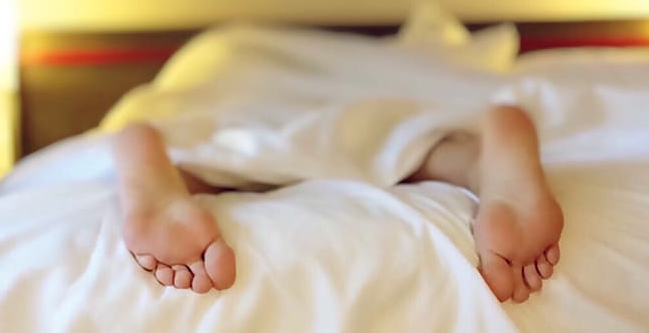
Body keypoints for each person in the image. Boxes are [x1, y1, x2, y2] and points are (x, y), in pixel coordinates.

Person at [114, 104, 563, 304]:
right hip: (388, 116)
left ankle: (155, 167)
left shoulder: (232, 67)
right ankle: (483, 161)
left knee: (217, 155)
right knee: (421, 148)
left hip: (240, 122)